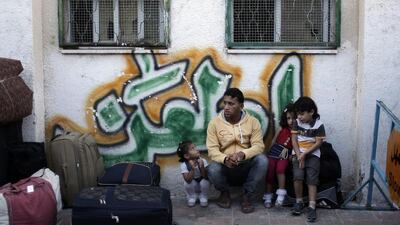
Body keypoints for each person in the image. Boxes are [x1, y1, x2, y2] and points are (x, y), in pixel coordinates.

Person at [206, 87, 267, 214]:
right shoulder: (214, 123)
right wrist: (225, 159)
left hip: (245, 165)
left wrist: (242, 154)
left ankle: (247, 195)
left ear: (241, 105)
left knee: (262, 160)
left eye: (231, 104)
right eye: (225, 103)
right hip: (225, 166)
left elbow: (259, 146)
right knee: (212, 169)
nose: (226, 107)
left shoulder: (253, 122)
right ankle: (224, 193)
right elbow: (212, 150)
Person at [290, 96, 326, 222]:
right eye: (298, 114)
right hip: (298, 153)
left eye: (302, 114)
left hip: (313, 154)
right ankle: (299, 202)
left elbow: (318, 143)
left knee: (312, 179)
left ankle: (312, 206)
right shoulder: (296, 122)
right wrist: (298, 153)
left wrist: (305, 155)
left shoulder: (319, 125)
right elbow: (294, 139)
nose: (299, 117)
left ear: (311, 112)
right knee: (298, 177)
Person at [263, 104, 295, 208]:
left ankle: (280, 196)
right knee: (270, 171)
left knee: (280, 169)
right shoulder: (282, 128)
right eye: (289, 118)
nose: (291, 121)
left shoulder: (297, 131)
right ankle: (268, 196)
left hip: (285, 152)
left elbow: (296, 144)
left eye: (293, 118)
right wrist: (268, 150)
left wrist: (293, 154)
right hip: (275, 150)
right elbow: (274, 140)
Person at [177, 140, 210, 207]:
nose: (196, 149)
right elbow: (187, 180)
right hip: (193, 184)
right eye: (193, 148)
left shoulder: (203, 160)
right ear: (186, 156)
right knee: (187, 183)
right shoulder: (184, 165)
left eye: (195, 147)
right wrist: (192, 169)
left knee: (205, 181)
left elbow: (206, 177)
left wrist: (202, 167)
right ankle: (192, 196)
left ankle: (203, 196)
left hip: (201, 182)